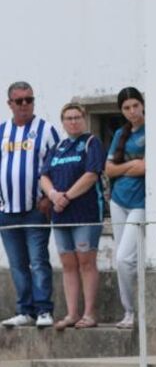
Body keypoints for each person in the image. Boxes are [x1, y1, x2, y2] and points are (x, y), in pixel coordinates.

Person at [39, 103, 106, 329]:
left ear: (84, 119)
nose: (73, 121)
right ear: (63, 122)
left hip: (85, 214)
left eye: (77, 117)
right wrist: (53, 195)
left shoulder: (91, 143)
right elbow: (44, 176)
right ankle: (72, 313)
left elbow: (91, 175)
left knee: (86, 262)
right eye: (68, 118)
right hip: (60, 216)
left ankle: (89, 314)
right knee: (68, 264)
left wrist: (66, 197)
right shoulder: (57, 148)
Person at [0, 82, 60, 328]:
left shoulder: (46, 130)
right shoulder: (2, 131)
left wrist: (48, 197)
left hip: (36, 209)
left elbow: (57, 165)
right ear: (10, 104)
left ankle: (43, 310)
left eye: (29, 99)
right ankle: (25, 310)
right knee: (17, 264)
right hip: (6, 211)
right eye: (19, 101)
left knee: (38, 261)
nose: (25, 104)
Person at [104, 87, 146, 329]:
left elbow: (146, 167)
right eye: (126, 108)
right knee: (123, 260)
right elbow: (109, 170)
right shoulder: (121, 133)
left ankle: (137, 309)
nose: (132, 111)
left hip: (140, 203)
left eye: (135, 106)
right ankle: (128, 311)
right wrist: (132, 165)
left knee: (124, 258)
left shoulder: (152, 129)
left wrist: (125, 168)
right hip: (118, 201)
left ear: (142, 104)